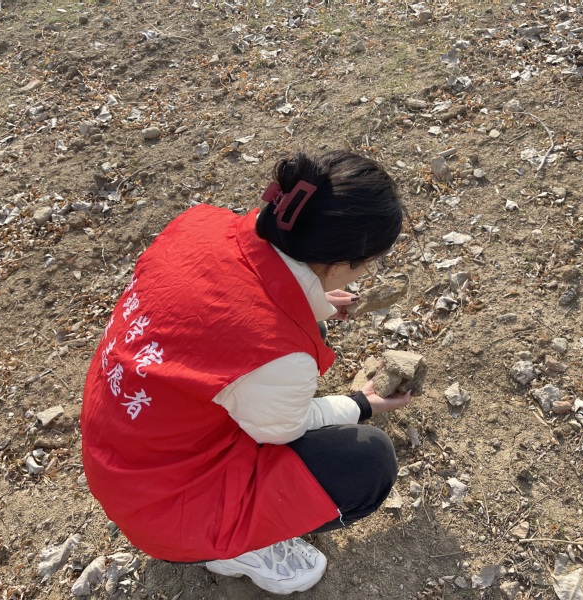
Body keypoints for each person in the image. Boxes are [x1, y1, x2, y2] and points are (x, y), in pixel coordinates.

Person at [80, 150, 412, 595]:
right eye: (366, 263)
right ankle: (233, 549)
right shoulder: (278, 355)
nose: (364, 273)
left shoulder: (200, 224)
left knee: (304, 332)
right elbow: (286, 429)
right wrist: (360, 403)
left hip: (121, 455)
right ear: (338, 262)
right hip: (163, 506)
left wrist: (312, 300)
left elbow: (226, 303)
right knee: (367, 462)